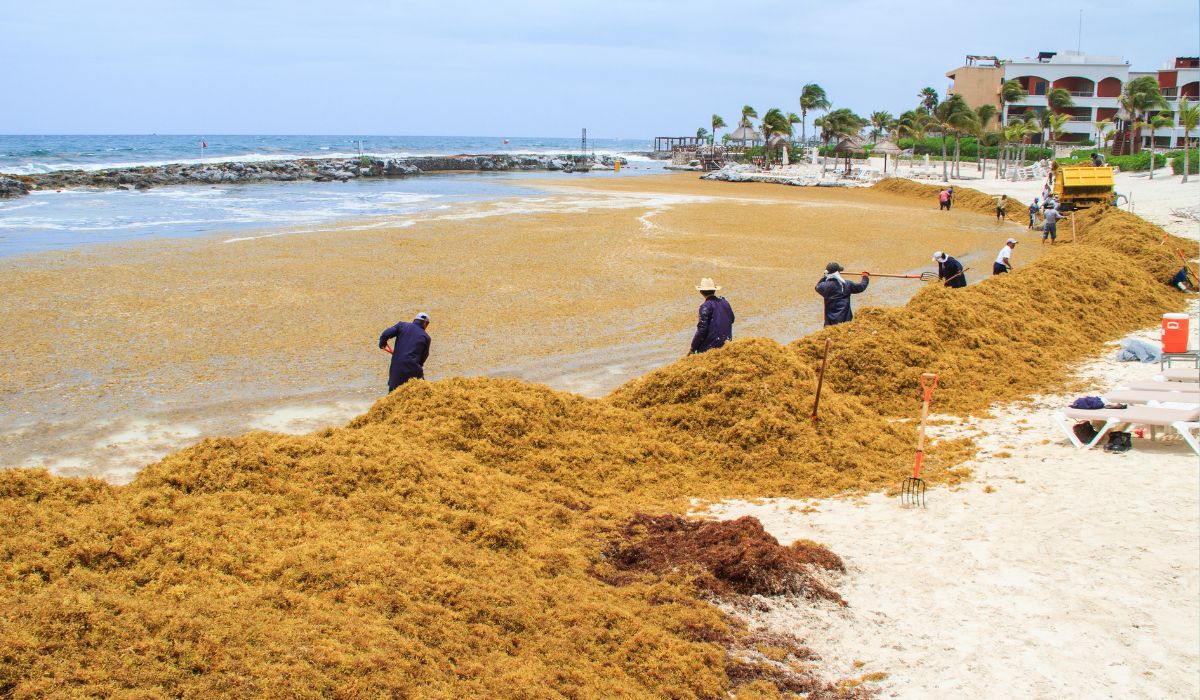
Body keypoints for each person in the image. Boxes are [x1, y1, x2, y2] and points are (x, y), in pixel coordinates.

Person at [378, 312, 431, 392]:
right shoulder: (426, 337)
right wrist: (418, 366)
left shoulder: (402, 325)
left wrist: (382, 343)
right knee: (421, 394)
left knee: (392, 395)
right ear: (425, 323)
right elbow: (424, 357)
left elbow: (385, 334)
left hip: (396, 369)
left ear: (415, 320)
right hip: (413, 370)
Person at [689, 278, 735, 354]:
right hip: (726, 343)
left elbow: (702, 329)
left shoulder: (705, 306)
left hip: (711, 346)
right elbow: (732, 319)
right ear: (715, 290)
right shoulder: (725, 302)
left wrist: (693, 348)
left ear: (701, 292)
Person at [815, 262, 869, 326]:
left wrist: (824, 277)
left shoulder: (823, 286)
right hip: (845, 320)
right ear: (838, 273)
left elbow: (817, 286)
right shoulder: (847, 284)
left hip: (830, 322)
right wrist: (865, 277)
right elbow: (861, 287)